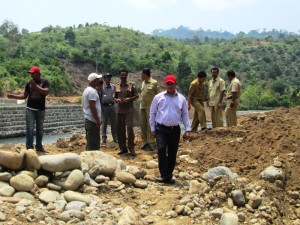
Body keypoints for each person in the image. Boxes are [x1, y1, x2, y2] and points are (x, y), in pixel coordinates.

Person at [150, 75, 191, 184]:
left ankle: (168, 175)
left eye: (171, 84)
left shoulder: (181, 99)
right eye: (168, 84)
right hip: (161, 128)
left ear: (175, 84)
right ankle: (165, 175)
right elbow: (152, 113)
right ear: (165, 84)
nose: (169, 86)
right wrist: (152, 128)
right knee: (161, 149)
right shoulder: (158, 97)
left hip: (175, 130)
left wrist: (187, 129)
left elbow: (185, 114)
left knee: (173, 152)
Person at [7, 66, 50, 152]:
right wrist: (13, 96)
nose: (31, 75)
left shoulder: (45, 82)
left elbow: (46, 92)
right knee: (29, 128)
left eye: (33, 73)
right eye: (30, 73)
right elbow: (24, 96)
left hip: (41, 109)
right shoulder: (28, 83)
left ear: (38, 73)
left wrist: (35, 85)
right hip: (30, 109)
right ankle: (29, 147)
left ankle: (39, 146)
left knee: (40, 129)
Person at [114, 69, 139, 156]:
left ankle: (131, 148)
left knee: (129, 129)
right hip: (119, 110)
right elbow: (114, 97)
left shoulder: (131, 85)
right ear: (119, 76)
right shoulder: (117, 86)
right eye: (122, 75)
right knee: (120, 129)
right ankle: (123, 148)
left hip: (129, 110)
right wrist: (117, 100)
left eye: (125, 75)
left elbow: (136, 95)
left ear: (127, 75)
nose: (123, 76)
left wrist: (129, 99)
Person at [139, 68, 162, 151]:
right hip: (142, 106)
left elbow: (159, 95)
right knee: (142, 124)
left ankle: (151, 141)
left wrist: (159, 107)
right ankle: (145, 141)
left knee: (150, 124)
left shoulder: (154, 83)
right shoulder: (143, 83)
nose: (141, 76)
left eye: (142, 74)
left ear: (145, 74)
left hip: (151, 107)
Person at [82, 73, 102, 150]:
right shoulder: (92, 92)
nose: (98, 81)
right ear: (93, 81)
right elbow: (92, 107)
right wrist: (97, 119)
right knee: (94, 143)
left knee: (91, 142)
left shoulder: (87, 90)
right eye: (97, 79)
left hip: (89, 119)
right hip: (92, 120)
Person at [99, 73, 118, 143]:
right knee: (104, 122)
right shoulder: (102, 87)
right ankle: (104, 137)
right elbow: (100, 98)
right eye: (108, 77)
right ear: (104, 79)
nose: (109, 79)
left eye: (110, 77)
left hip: (112, 106)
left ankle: (115, 137)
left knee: (114, 122)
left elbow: (116, 96)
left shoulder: (113, 87)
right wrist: (100, 108)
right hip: (104, 106)